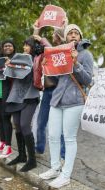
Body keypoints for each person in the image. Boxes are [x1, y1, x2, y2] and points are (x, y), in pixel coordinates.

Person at [39, 24, 94, 188]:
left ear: (81, 37)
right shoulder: (59, 52)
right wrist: (46, 66)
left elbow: (87, 80)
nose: (73, 35)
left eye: (77, 33)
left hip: (75, 101)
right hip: (56, 100)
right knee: (53, 135)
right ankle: (55, 168)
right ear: (65, 37)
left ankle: (66, 175)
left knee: (69, 138)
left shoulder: (86, 55)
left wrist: (76, 63)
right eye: (70, 33)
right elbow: (57, 80)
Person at [5, 36, 47, 172]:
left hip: (31, 95)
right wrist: (9, 66)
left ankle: (32, 160)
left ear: (33, 47)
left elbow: (48, 50)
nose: (24, 48)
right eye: (24, 45)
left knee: (24, 125)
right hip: (17, 95)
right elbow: (11, 75)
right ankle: (22, 155)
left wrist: (40, 38)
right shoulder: (19, 58)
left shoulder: (39, 58)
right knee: (17, 125)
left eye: (27, 45)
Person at [35, 27, 66, 159]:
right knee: (41, 121)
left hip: (59, 91)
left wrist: (42, 38)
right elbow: (35, 41)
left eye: (54, 34)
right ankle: (39, 148)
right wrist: (36, 30)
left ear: (58, 36)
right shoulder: (50, 51)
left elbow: (51, 50)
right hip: (48, 90)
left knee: (60, 126)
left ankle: (63, 155)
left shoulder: (64, 50)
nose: (52, 36)